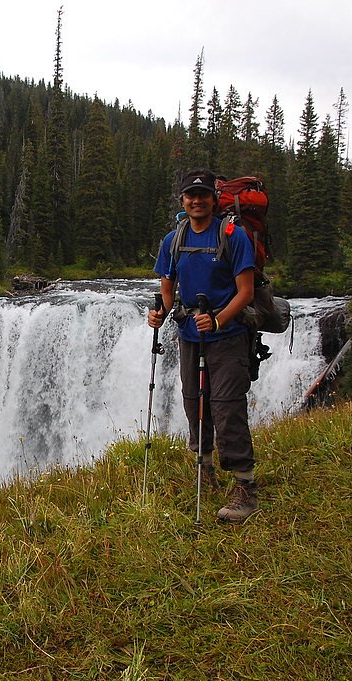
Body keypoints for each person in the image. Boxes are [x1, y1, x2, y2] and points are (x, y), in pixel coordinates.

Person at [147, 169, 258, 523]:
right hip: (189, 334)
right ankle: (203, 467)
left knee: (226, 407)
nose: (197, 200)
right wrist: (160, 313)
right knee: (194, 402)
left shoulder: (232, 236)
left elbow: (246, 292)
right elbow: (168, 287)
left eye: (203, 195)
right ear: (182, 199)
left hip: (227, 336)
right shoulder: (173, 239)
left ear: (214, 198)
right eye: (190, 195)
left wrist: (220, 319)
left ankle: (245, 486)